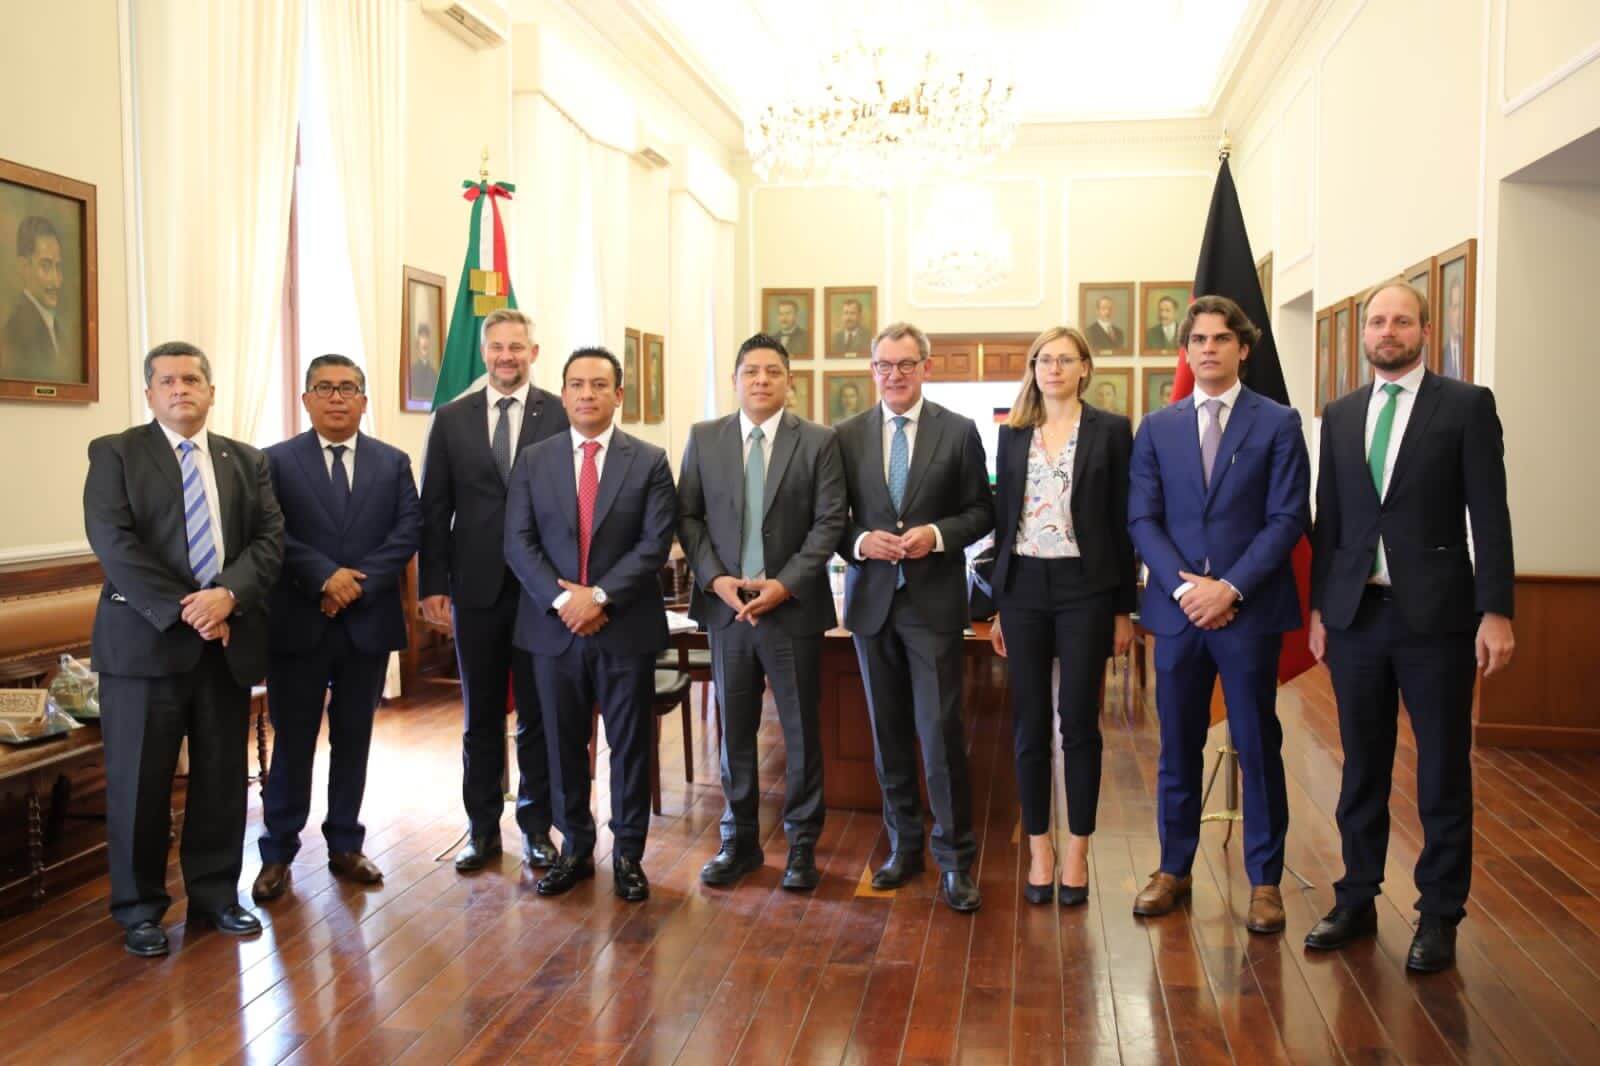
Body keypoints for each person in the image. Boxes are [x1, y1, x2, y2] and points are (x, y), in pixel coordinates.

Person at [1305, 281, 1514, 973]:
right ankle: (1357, 897)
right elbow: (1329, 522)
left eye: (1401, 321)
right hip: (1357, 617)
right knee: (1361, 767)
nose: (1387, 332)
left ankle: (1439, 914)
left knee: (1442, 772)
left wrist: (1498, 610)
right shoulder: (1340, 413)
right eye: (1377, 322)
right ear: (1364, 335)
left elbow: (1490, 515)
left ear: (1426, 330)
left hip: (1440, 622)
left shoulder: (1465, 406)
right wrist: (1318, 610)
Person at [83, 341, 285, 957]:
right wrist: (188, 610)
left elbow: (270, 540)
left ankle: (215, 896)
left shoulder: (244, 461)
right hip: (144, 651)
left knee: (222, 782)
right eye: (167, 381)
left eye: (192, 379)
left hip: (226, 647)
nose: (180, 390)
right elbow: (115, 545)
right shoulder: (116, 453)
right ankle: (140, 909)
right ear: (149, 392)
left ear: (211, 391)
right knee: (140, 785)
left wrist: (227, 596)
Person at [1127, 295, 1309, 934]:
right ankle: (1172, 869)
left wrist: (1228, 587)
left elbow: (1288, 517)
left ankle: (1264, 882)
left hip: (1248, 613)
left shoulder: (1278, 422)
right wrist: (1187, 592)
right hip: (1179, 617)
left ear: (1242, 348)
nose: (1208, 348)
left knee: (1257, 745)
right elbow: (1142, 519)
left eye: (1221, 338)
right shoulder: (1157, 427)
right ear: (1186, 350)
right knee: (1177, 746)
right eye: (1198, 339)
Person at [505, 347, 678, 902]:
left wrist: (599, 596)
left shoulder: (649, 460)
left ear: (617, 395)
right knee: (561, 742)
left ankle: (628, 852)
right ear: (563, 393)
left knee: (628, 744)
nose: (586, 394)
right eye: (576, 384)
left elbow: (654, 544)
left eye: (599, 385)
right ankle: (575, 846)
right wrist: (565, 604)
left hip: (623, 626)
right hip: (553, 630)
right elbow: (519, 542)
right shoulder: (534, 460)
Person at [678, 334, 848, 891]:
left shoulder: (819, 442)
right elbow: (690, 519)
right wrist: (716, 580)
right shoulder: (705, 439)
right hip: (728, 612)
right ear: (735, 379)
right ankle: (740, 840)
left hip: (790, 610)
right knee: (736, 733)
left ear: (789, 381)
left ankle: (802, 846)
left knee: (800, 733)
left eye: (773, 371)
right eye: (750, 371)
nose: (761, 380)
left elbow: (830, 522)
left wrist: (786, 584)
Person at [834, 321, 994, 913]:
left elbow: (983, 510)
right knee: (888, 734)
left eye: (905, 364)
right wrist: (857, 542)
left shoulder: (958, 431)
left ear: (926, 367)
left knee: (940, 735)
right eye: (884, 366)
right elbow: (831, 518)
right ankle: (903, 847)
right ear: (872, 371)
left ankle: (955, 859)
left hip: (931, 605)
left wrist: (935, 534)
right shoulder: (846, 435)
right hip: (872, 605)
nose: (894, 375)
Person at [252, 355, 422, 902]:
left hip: (366, 625)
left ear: (364, 401)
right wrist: (324, 579)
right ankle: (277, 853)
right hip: (300, 622)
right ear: (306, 399)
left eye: (348, 388)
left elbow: (406, 533)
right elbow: (271, 534)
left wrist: (356, 586)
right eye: (324, 388)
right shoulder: (274, 462)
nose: (337, 398)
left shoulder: (392, 463)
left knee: (355, 739)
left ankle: (346, 844)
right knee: (294, 742)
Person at [989, 327, 1136, 906]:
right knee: (1028, 725)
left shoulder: (1111, 431)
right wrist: (1000, 605)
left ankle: (1078, 848)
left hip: (1086, 588)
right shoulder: (1012, 434)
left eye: (1064, 359)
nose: (1052, 368)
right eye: (1043, 359)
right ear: (1033, 368)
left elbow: (1124, 524)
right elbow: (1005, 524)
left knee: (1078, 721)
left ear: (1084, 368)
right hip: (1023, 586)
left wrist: (1125, 609)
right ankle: (1039, 848)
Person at [418, 308, 567, 873]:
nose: (507, 356)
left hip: (542, 590)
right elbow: (435, 507)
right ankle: (482, 831)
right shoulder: (452, 419)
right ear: (485, 353)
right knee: (480, 717)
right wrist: (432, 583)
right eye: (497, 347)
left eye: (517, 346)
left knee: (537, 713)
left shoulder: (558, 412)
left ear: (534, 351)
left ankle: (536, 828)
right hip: (475, 587)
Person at [4, 216, 70, 381]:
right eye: (46, 267)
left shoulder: (59, 332)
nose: (56, 280)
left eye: (58, 267)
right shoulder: (14, 334)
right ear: (24, 267)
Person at [1440, 276, 1466, 379]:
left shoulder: (1469, 352)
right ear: (1448, 312)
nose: (1459, 315)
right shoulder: (1440, 355)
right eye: (1455, 307)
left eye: (1462, 307)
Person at [409, 321, 438, 404]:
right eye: (422, 337)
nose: (424, 341)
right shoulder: (412, 372)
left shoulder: (434, 374)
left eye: (427, 337)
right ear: (418, 341)